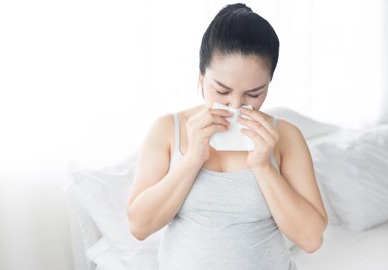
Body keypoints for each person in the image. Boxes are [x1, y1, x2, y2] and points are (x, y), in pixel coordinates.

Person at [126, 3, 327, 270]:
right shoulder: (167, 130)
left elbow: (311, 239)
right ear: (201, 78)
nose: (235, 106)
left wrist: (263, 166)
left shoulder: (285, 137)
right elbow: (139, 227)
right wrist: (192, 160)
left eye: (254, 94)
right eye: (222, 91)